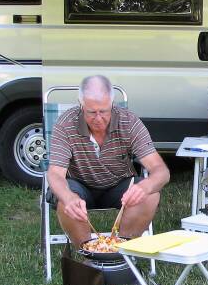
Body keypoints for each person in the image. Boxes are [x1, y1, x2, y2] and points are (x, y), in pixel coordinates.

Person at [46, 75, 170, 246]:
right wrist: (68, 197)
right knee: (64, 198)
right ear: (81, 105)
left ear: (112, 103)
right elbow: (55, 174)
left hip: (118, 185)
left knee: (150, 195)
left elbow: (161, 171)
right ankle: (88, 254)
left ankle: (123, 251)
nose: (98, 119)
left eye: (104, 111)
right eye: (91, 112)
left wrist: (146, 186)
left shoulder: (129, 122)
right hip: (79, 185)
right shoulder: (66, 124)